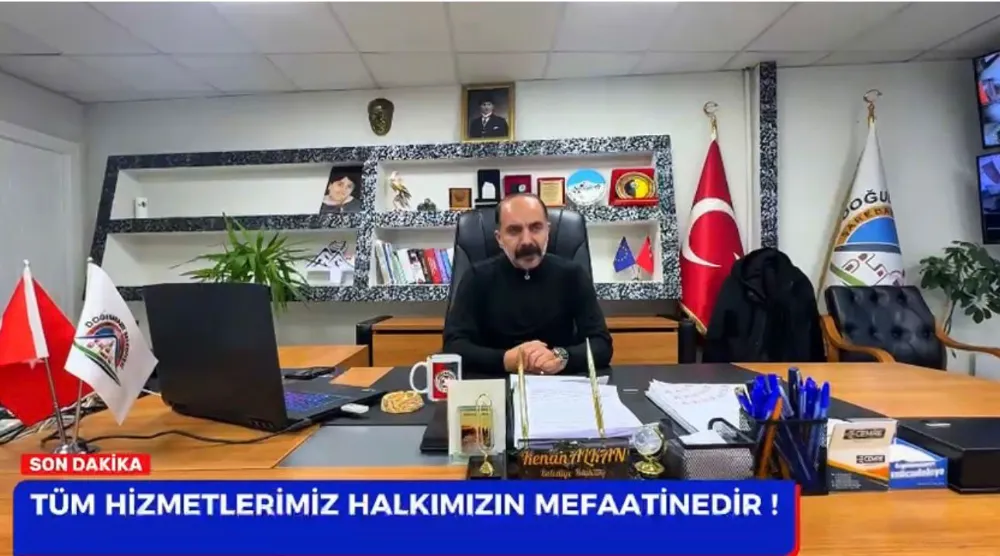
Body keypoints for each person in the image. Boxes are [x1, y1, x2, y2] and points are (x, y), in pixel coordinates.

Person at [443, 194, 612, 376]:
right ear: (499, 238)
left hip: (557, 383)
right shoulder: (476, 277)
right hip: (494, 383)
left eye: (536, 228)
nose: (526, 241)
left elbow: (601, 345)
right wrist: (505, 360)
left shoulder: (572, 275)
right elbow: (453, 346)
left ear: (548, 231)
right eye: (514, 231)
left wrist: (561, 356)